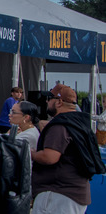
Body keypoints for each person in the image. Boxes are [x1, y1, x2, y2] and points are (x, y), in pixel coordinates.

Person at [31, 84, 105, 213]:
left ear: (59, 102)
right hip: (77, 191)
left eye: (50, 99)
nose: (47, 102)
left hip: (58, 193)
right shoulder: (81, 123)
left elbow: (50, 157)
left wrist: (31, 153)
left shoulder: (60, 125)